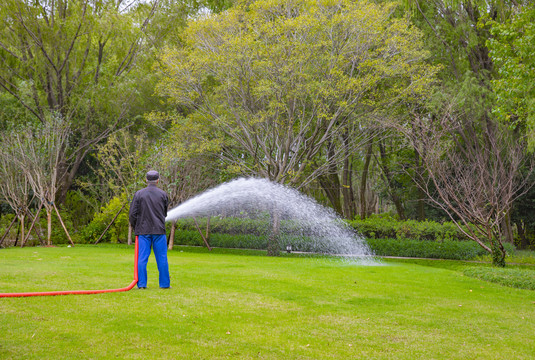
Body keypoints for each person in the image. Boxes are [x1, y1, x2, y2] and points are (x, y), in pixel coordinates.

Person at [129, 170, 171, 289]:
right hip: (159, 231)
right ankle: (165, 284)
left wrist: (135, 226)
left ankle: (141, 284)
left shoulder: (139, 194)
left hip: (143, 231)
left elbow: (132, 214)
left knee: (142, 258)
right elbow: (164, 213)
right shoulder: (163, 194)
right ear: (158, 180)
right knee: (162, 258)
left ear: (146, 180)